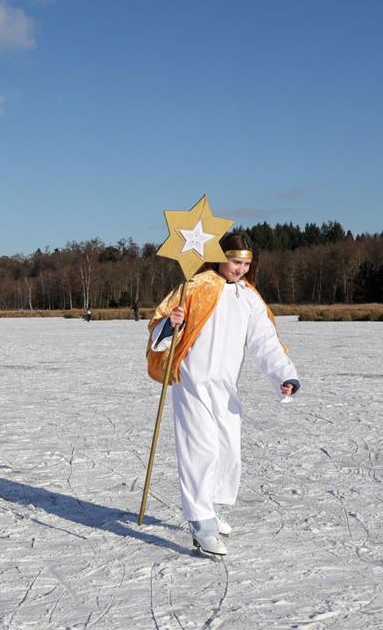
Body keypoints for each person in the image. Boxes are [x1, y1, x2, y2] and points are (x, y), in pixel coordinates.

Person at [146, 233, 300, 557]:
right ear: (219, 257)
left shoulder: (248, 297)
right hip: (192, 381)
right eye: (235, 262)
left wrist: (284, 374)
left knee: (227, 451)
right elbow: (160, 330)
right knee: (200, 450)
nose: (241, 269)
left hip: (225, 387)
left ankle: (211, 509)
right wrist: (170, 324)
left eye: (246, 264)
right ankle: (201, 524)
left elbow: (265, 342)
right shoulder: (195, 286)